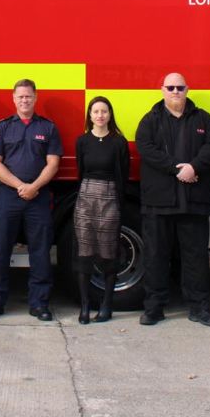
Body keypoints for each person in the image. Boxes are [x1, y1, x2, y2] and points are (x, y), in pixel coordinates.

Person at [136, 73, 210, 327]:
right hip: (158, 203)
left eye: (180, 87)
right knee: (155, 257)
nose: (175, 91)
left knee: (195, 258)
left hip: (193, 202)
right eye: (170, 87)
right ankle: (154, 308)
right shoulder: (150, 120)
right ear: (162, 90)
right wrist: (177, 169)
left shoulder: (203, 119)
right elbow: (146, 148)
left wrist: (194, 167)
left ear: (187, 90)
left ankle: (199, 308)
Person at [0, 78, 63, 321]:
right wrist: (20, 186)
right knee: (0, 249)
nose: (24, 100)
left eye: (28, 96)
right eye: (20, 96)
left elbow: (53, 163)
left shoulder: (48, 127)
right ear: (13, 98)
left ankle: (39, 304)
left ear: (35, 97)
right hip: (9, 195)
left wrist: (34, 187)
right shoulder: (3, 127)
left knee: (40, 251)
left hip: (38, 197)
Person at [73, 96, 129, 324]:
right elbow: (80, 170)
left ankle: (107, 306)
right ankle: (85, 307)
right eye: (95, 111)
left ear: (110, 114)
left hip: (110, 198)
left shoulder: (118, 142)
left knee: (109, 254)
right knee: (84, 254)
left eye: (104, 111)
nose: (100, 115)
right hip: (85, 198)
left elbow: (122, 175)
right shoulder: (82, 141)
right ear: (90, 115)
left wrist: (117, 202)